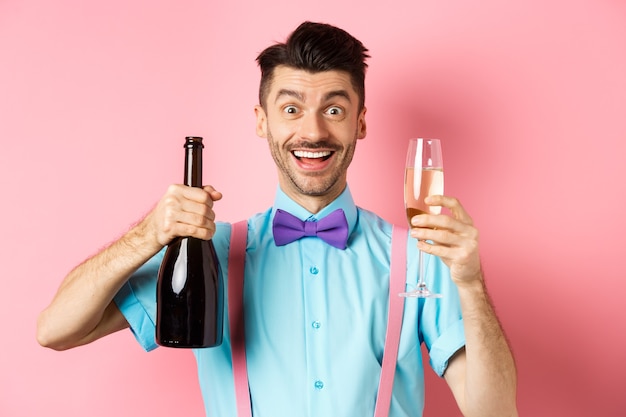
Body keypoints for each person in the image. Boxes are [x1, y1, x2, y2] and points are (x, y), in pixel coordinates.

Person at [37, 21, 518, 417]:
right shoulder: (211, 253)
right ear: (262, 120)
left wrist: (472, 285)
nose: (313, 130)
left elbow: (493, 411)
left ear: (361, 122)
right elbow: (56, 330)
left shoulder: (419, 257)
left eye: (334, 108)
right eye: (292, 108)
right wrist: (146, 235)